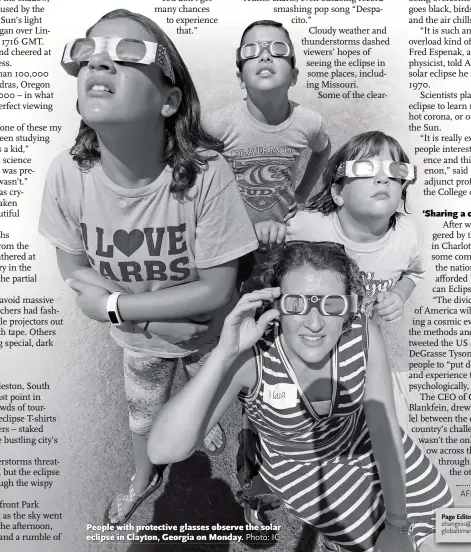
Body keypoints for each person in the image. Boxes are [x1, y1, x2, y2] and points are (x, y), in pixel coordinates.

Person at [38, 9, 258, 525]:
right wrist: (150, 320)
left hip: (207, 334)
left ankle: (208, 431)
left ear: (169, 99)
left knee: (213, 397)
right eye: (86, 53)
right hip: (141, 342)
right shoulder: (68, 174)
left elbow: (216, 286)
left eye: (127, 53)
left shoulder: (206, 173)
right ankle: (142, 478)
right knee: (142, 417)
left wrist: (115, 305)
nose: (100, 62)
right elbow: (74, 268)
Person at [146, 241, 453, 552]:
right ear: (276, 304)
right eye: (297, 304)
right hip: (303, 468)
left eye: (331, 305)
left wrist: (398, 523)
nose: (315, 323)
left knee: (448, 529)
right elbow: (161, 450)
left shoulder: (361, 334)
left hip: (366, 442)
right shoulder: (254, 359)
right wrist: (224, 354)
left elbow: (384, 431)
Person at [204, 19, 331, 284]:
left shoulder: (307, 122)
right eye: (251, 51)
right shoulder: (216, 125)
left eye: (278, 49)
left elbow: (323, 149)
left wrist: (301, 194)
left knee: (273, 298)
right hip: (230, 243)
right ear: (240, 77)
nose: (264, 55)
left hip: (279, 240)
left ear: (294, 76)